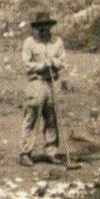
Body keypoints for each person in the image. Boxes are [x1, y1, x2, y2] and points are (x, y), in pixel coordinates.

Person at [20, 11, 65, 166]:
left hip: (51, 82)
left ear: (50, 27)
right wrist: (41, 65)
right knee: (32, 116)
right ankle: (25, 153)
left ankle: (51, 152)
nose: (44, 30)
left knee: (51, 117)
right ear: (36, 28)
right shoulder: (30, 43)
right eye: (41, 28)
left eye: (47, 27)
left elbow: (62, 60)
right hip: (36, 82)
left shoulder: (57, 42)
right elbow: (26, 64)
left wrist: (54, 62)